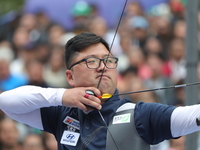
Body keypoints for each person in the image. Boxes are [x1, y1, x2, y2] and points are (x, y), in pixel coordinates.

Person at [0, 32, 200, 150]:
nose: (103, 67)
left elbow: (192, 116)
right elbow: (6, 102)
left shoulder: (139, 114)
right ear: (70, 77)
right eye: (92, 61)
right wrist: (62, 96)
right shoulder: (62, 113)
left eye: (109, 60)